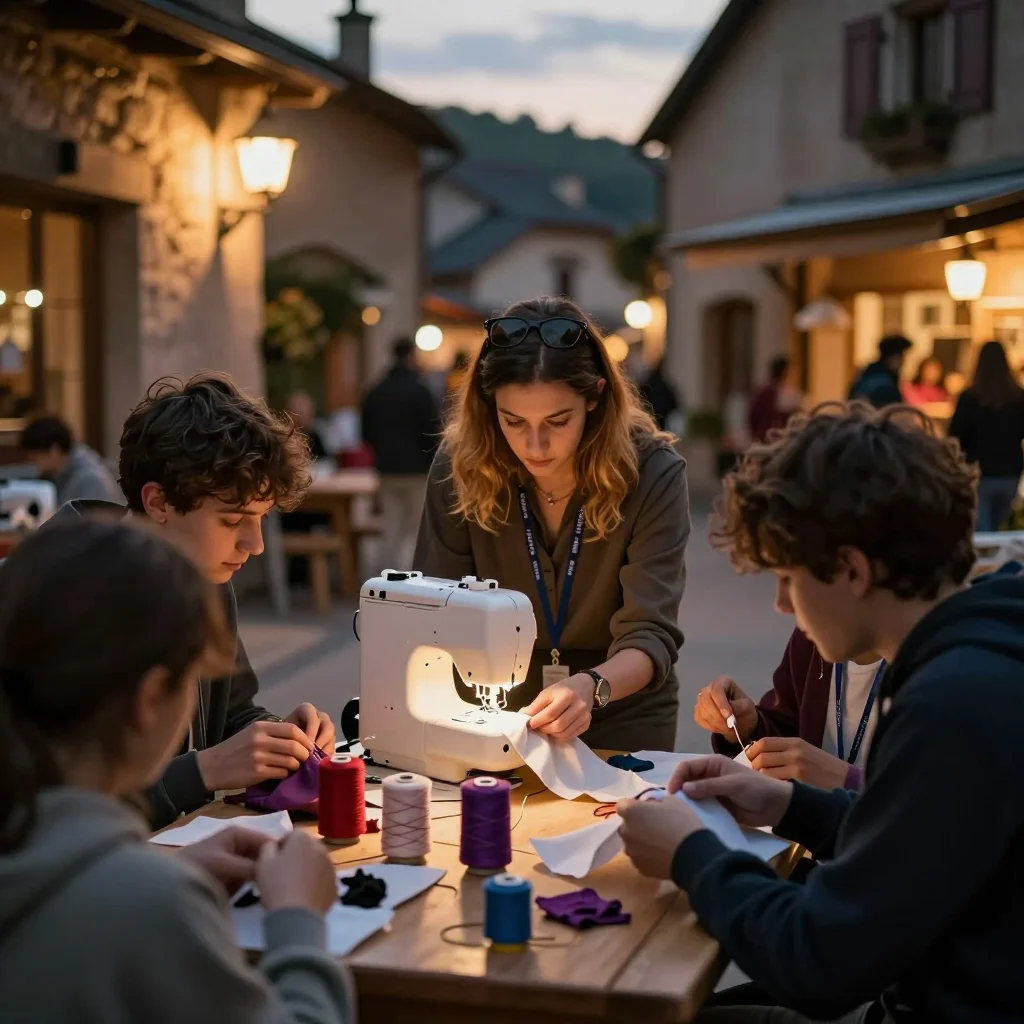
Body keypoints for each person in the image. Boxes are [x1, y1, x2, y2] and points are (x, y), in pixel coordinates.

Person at [617, 402, 1024, 1023]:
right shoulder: (982, 651)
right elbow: (922, 840)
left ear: (853, 570)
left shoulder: (950, 706)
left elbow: (819, 963)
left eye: (787, 578)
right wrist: (791, 804)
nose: (782, 606)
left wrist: (692, 854)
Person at [0, 518, 351, 1024]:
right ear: (150, 700)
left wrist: (167, 869)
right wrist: (298, 922)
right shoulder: (151, 909)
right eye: (194, 678)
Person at [53, 373, 336, 828]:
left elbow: (233, 712)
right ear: (158, 502)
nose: (255, 544)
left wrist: (275, 738)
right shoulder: (56, 602)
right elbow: (52, 809)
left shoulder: (203, 578)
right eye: (232, 521)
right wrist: (204, 771)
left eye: (262, 519)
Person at [414, 296, 689, 751]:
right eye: (514, 421)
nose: (536, 445)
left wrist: (590, 687)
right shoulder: (460, 466)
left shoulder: (652, 473)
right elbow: (432, 606)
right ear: (488, 406)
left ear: (596, 396)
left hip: (621, 706)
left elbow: (651, 632)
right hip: (496, 711)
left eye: (558, 421)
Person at [694, 628, 883, 791]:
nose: (782, 604)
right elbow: (791, 733)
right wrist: (750, 728)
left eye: (792, 585)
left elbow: (911, 805)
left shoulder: (911, 674)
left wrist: (849, 780)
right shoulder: (812, 639)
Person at [362, 338, 441, 570]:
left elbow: (366, 433)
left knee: (391, 527)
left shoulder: (376, 390)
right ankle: (410, 578)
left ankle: (384, 575)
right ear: (411, 356)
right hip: (417, 470)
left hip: (386, 469)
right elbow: (432, 431)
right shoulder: (420, 390)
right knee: (415, 528)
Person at [949, 339, 1024, 532]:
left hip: (977, 471)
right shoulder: (1018, 397)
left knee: (982, 530)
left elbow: (956, 435)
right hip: (1010, 471)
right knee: (999, 527)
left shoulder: (970, 398)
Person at [20, 415, 122, 506]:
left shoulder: (89, 478)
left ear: (54, 450)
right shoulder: (57, 474)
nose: (33, 464)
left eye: (35, 458)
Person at [847, 334, 912, 408]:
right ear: (892, 357)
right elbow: (891, 410)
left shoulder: (869, 372)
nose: (903, 362)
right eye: (901, 356)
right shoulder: (883, 383)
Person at [747, 357, 800, 443]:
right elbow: (754, 416)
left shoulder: (792, 392)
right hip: (769, 439)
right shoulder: (768, 392)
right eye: (791, 371)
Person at [638, 358, 681, 431]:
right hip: (661, 420)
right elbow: (674, 403)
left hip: (648, 419)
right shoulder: (664, 385)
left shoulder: (647, 383)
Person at [286, 390, 327, 459]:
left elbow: (325, 460)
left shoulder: (315, 436)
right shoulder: (287, 440)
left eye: (307, 413)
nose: (304, 417)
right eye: (300, 413)